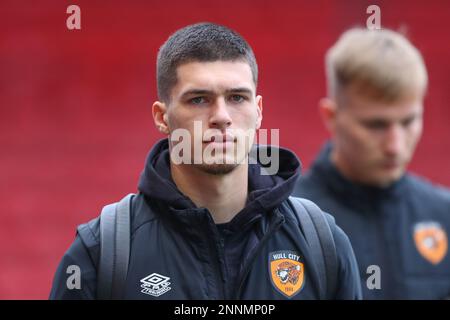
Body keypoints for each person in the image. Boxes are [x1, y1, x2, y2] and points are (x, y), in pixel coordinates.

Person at [49, 22, 362, 300]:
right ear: (161, 116)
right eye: (199, 99)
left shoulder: (322, 243)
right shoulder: (103, 253)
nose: (222, 117)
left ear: (259, 111)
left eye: (237, 98)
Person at [293, 27, 450, 299]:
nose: (395, 146)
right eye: (376, 125)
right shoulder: (288, 220)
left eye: (408, 121)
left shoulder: (443, 215)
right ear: (331, 116)